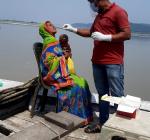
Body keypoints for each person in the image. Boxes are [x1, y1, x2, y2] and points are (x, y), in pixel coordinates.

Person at [63, 0, 131, 133]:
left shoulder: (118, 12)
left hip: (113, 62)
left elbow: (127, 34)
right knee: (103, 95)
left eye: (93, 2)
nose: (92, 6)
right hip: (97, 62)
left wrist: (107, 37)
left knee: (118, 96)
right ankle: (102, 123)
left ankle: (120, 129)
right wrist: (73, 29)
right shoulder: (100, 15)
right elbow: (91, 32)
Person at [39, 21, 93, 124]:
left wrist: (65, 56)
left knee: (82, 81)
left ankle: (83, 116)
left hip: (59, 73)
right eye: (49, 25)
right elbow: (48, 62)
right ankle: (72, 118)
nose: (53, 25)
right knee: (76, 85)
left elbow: (58, 57)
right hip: (52, 76)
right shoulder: (49, 42)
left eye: (52, 24)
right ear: (45, 30)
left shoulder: (54, 41)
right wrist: (64, 57)